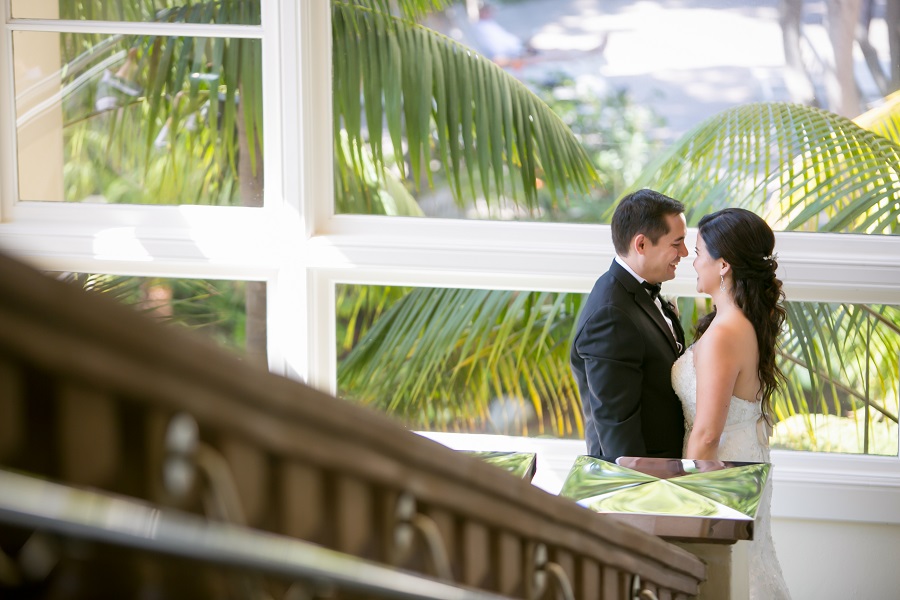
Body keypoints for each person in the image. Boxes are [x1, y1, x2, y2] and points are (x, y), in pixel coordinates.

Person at [672, 207, 791, 599]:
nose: (692, 261)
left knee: (730, 580)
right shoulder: (743, 322)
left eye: (698, 252)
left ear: (723, 265)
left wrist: (684, 506)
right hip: (743, 461)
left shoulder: (724, 333)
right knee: (748, 571)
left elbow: (707, 434)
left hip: (720, 471)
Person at [571, 189, 688, 459]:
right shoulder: (610, 316)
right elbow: (618, 432)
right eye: (677, 243)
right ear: (642, 244)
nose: (684, 252)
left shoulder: (634, 291)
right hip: (645, 476)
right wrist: (642, 484)